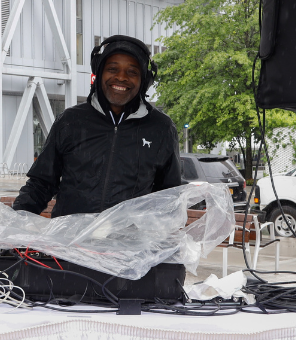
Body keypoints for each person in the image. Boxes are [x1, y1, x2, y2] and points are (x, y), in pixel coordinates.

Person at [13, 35, 182, 218]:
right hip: (70, 242)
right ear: (99, 72)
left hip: (130, 244)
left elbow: (169, 198)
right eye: (112, 69)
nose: (121, 77)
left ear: (144, 80)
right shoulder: (71, 121)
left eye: (132, 72)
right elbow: (41, 184)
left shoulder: (161, 128)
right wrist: (13, 223)